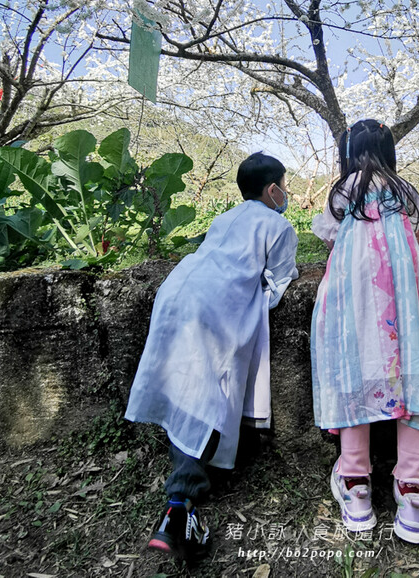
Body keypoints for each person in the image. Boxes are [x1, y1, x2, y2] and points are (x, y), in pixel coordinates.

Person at [125, 152, 298, 567]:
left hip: (177, 292)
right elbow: (279, 283)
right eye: (285, 185)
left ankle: (179, 497)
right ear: (273, 190)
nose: (287, 193)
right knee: (206, 394)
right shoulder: (279, 224)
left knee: (182, 384)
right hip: (214, 307)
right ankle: (180, 505)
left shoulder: (225, 218)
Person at [310, 119, 419, 545]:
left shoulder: (342, 191)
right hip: (404, 298)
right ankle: (412, 493)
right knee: (413, 377)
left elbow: (330, 241)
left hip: (353, 299)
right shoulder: (405, 191)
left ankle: (356, 486)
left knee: (353, 372)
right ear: (390, 151)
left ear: (349, 153)